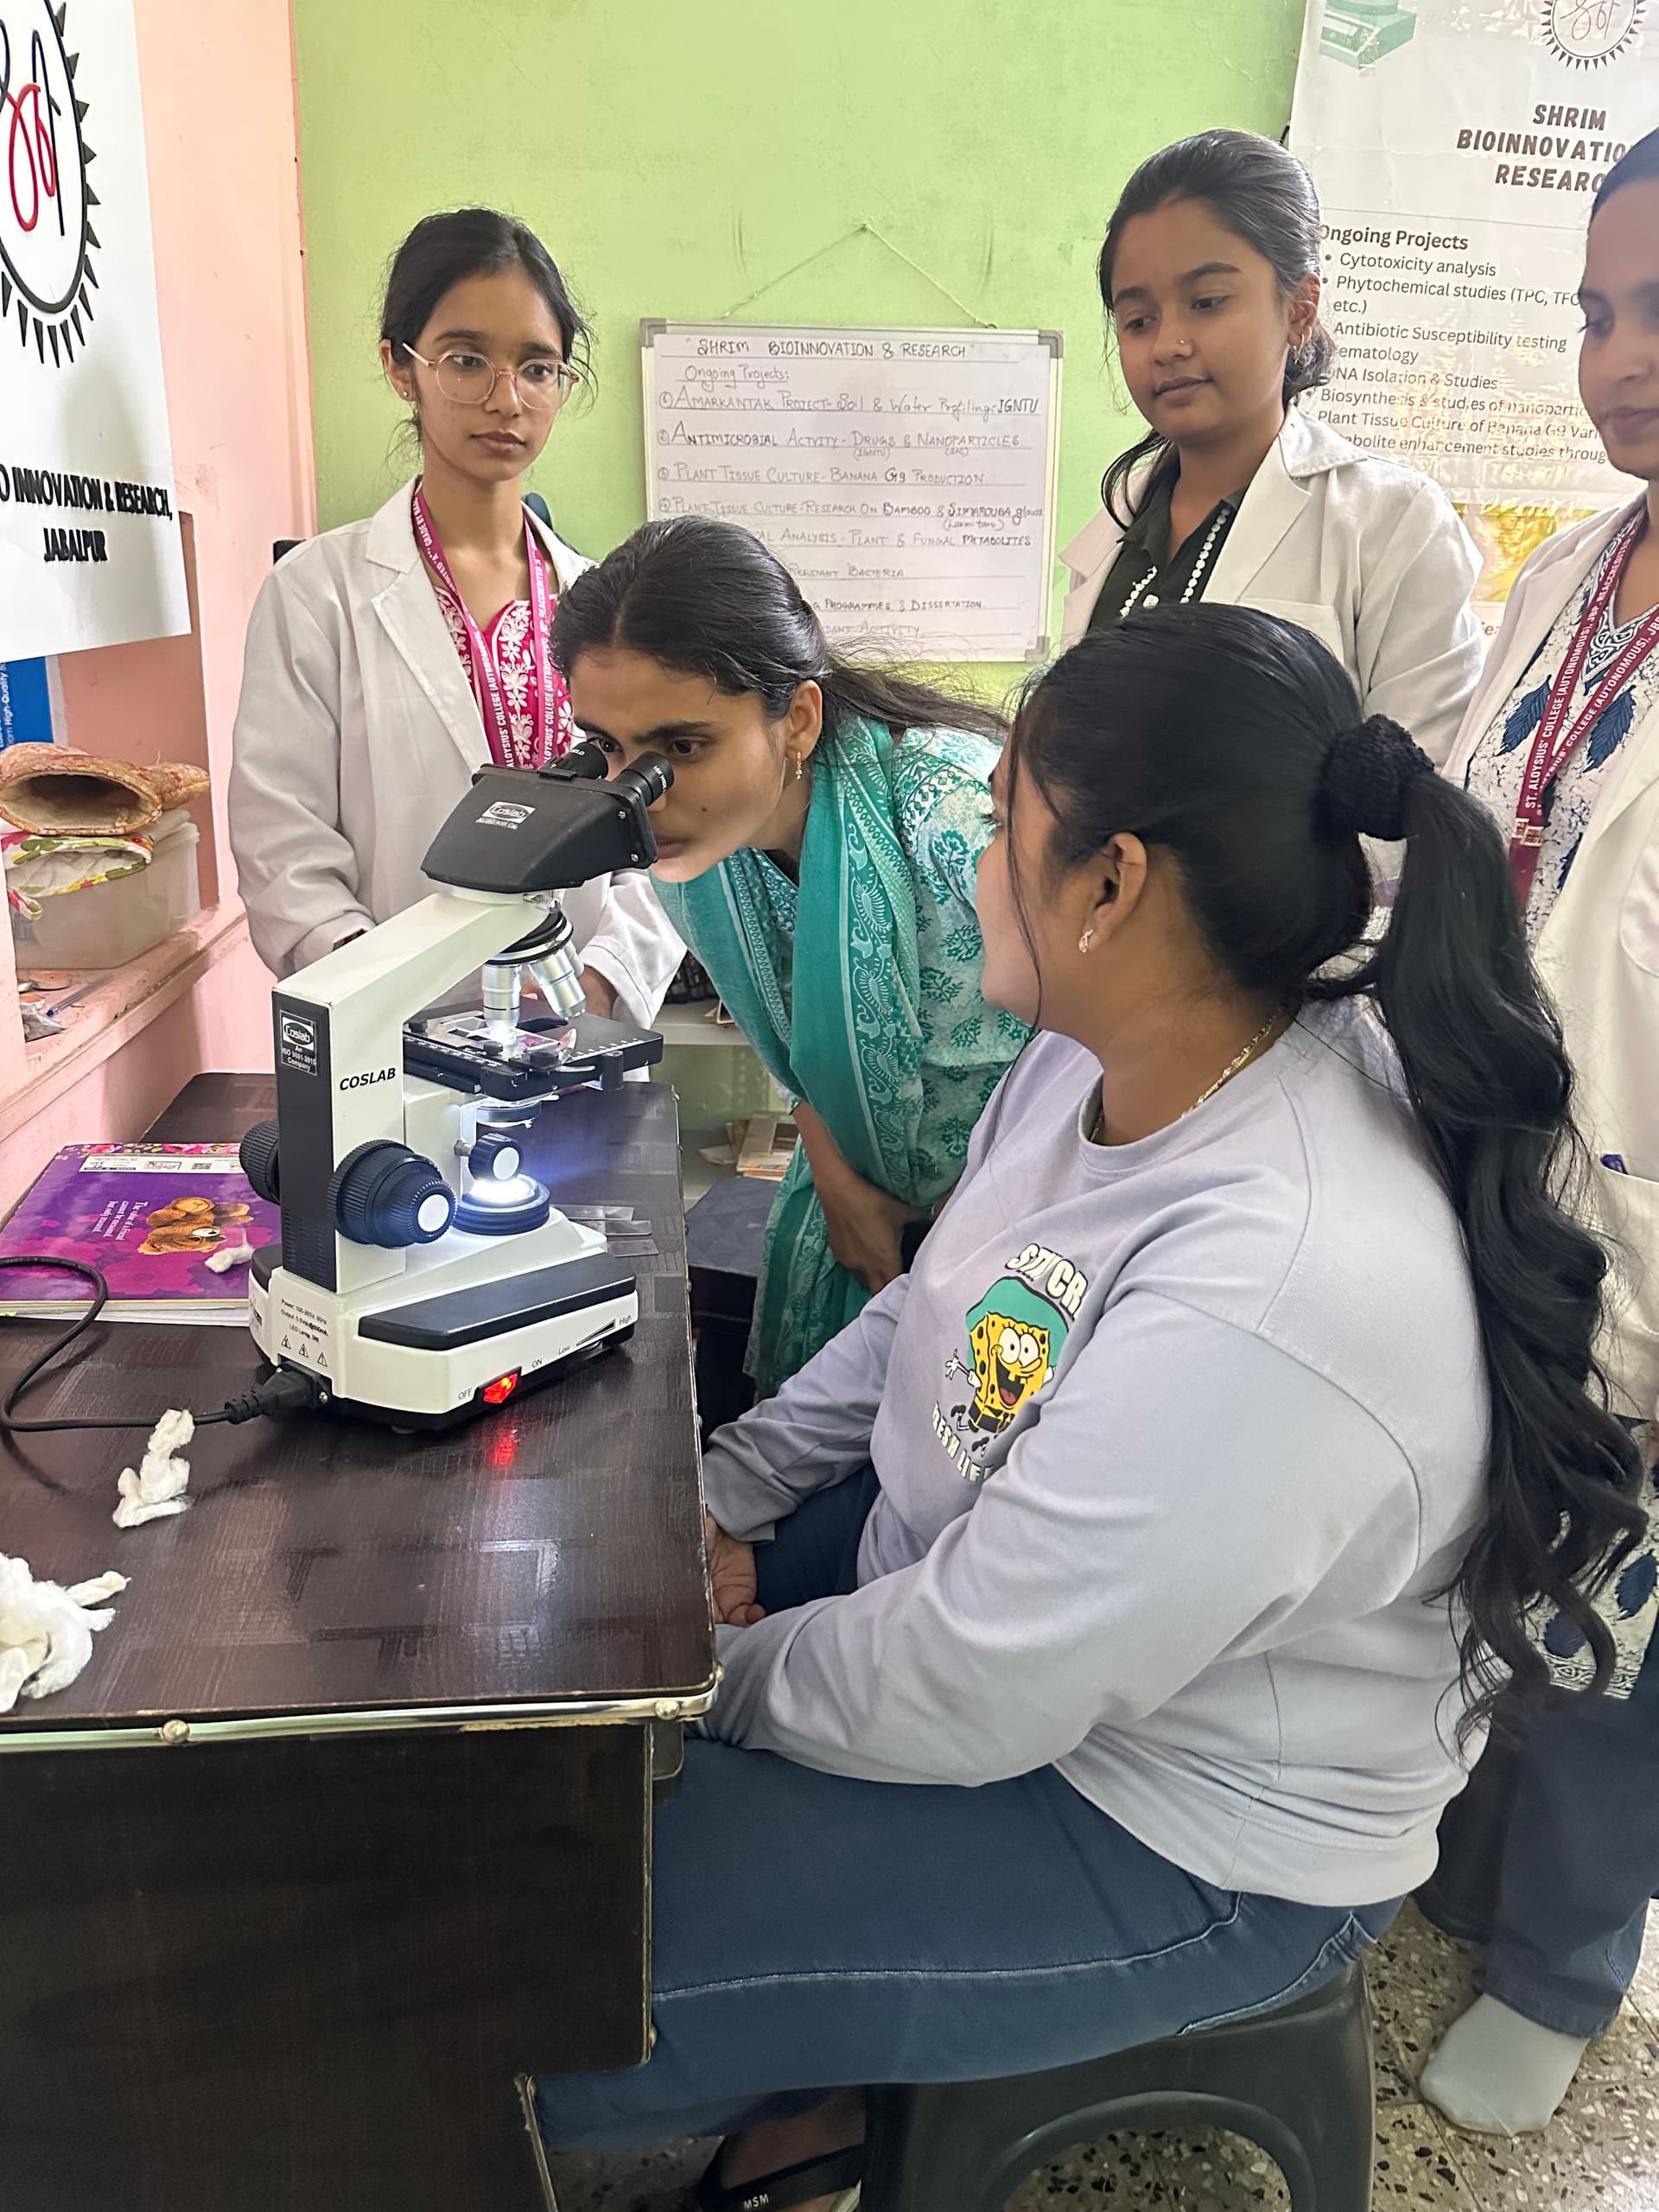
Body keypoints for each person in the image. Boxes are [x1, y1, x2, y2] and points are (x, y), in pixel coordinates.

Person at [535, 603, 1643, 2212]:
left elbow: (979, 1680)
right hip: (1028, 1633)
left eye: (999, 827)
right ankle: (823, 2067)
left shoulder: (1279, 1283)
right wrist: (735, 1493)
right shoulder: (1118, 1047)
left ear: (1114, 883)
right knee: (589, 1796)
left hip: (1177, 1827)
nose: (971, 862)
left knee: (546, 1974)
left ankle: (822, 2072)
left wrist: (699, 1680)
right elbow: (942, 1303)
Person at [1421, 126, 1659, 2140]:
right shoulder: (1573, 569)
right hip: (1502, 1173)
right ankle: (1480, 1862)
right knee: (1512, 1557)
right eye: (1594, 310)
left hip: (1645, 1235)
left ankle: (1572, 1959)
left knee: (1619, 1614)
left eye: (1658, 306)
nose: (1616, 357)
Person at [550, 517, 1028, 1395]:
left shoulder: (962, 816)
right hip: (862, 1216)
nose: (639, 792)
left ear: (797, 719)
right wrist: (839, 1177)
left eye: (682, 747)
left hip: (1023, 1244)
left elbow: (1103, 1068)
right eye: (610, 748)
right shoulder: (700, 858)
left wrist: (956, 1238)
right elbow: (813, 1052)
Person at [229, 208, 682, 1023]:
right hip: (390, 1040)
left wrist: (605, 988)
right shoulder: (316, 593)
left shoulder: (603, 603)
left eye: (538, 368)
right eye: (466, 360)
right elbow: (283, 845)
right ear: (402, 368)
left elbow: (659, 830)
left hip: (576, 1031)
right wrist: (374, 1001)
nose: (505, 400)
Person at [1061, 130, 1481, 769]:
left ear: (1299, 309)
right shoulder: (1121, 523)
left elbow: (1424, 791)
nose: (1168, 344)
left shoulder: (1393, 523)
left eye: (1206, 303)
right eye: (1138, 320)